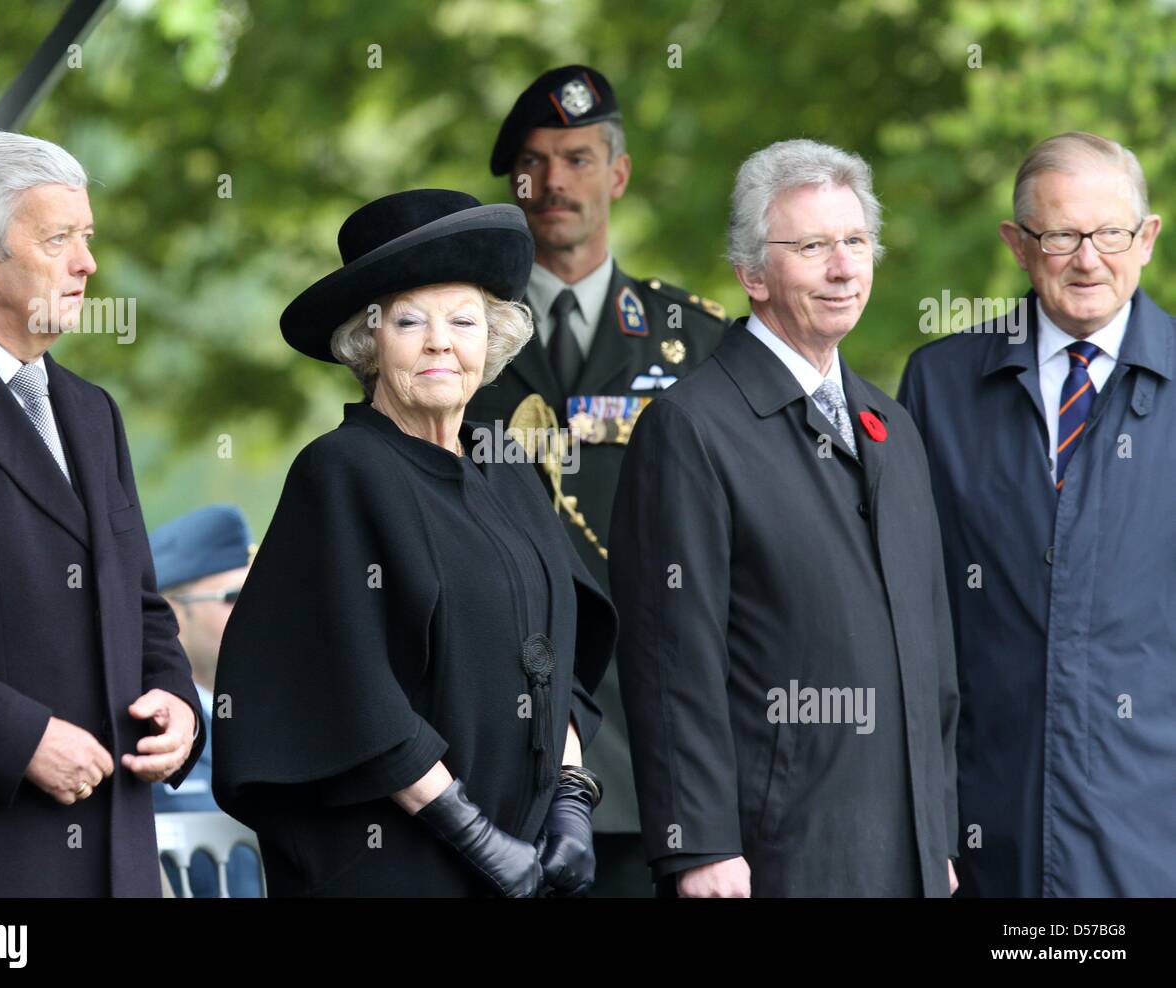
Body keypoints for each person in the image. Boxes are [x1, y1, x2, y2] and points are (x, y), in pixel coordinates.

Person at [212, 189, 617, 897]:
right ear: (368, 344)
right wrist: (467, 829)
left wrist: (571, 798)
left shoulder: (508, 471)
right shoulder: (341, 472)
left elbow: (562, 657)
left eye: (463, 320)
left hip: (525, 859)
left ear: (490, 342)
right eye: (409, 321)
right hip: (397, 865)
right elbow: (347, 687)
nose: (439, 341)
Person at [609, 139, 959, 897]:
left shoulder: (892, 427)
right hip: (771, 859)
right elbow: (672, 657)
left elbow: (934, 656)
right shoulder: (690, 428)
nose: (842, 268)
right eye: (812, 246)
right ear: (751, 274)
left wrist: (941, 835)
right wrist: (698, 844)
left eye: (855, 242)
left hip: (909, 857)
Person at [0, 131, 203, 897]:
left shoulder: (93, 412)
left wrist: (179, 708)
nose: (88, 263)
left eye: (86, 237)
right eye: (59, 239)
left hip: (119, 864)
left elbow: (144, 610)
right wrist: (17, 739)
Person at [465, 64, 728, 896]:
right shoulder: (455, 340)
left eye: (578, 158)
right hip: (498, 740)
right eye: (534, 163)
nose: (553, 182)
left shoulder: (698, 341)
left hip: (660, 743)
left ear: (616, 174)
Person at [898, 131, 1174, 896]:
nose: (1088, 258)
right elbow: (907, 619)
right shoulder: (940, 386)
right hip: (978, 840)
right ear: (1018, 245)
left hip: (1151, 843)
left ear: (1147, 238)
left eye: (1111, 232)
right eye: (1060, 235)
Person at [150, 504, 263, 897]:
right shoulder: (143, 728)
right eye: (232, 597)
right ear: (172, 613)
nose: (255, 610)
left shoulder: (289, 720)